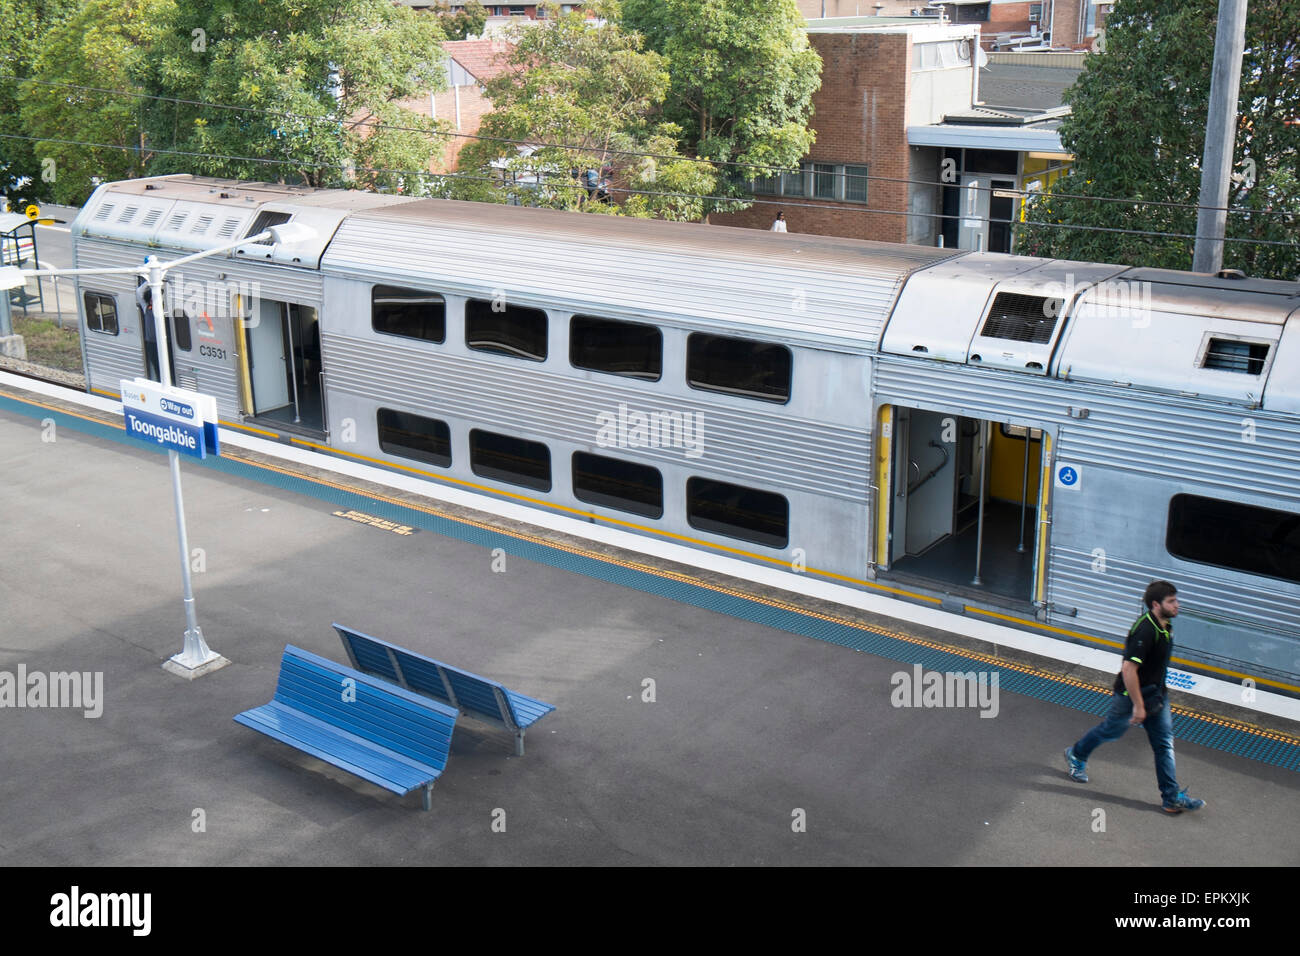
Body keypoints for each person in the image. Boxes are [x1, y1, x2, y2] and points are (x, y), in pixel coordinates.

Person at [1064, 581, 1206, 814]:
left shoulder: (1166, 624)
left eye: (1176, 600)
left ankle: (1171, 798)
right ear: (1155, 604)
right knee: (1111, 731)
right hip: (1130, 697)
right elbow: (1129, 670)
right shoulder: (1145, 630)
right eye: (1171, 601)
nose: (1177, 605)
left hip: (1157, 696)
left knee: (1163, 744)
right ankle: (1076, 754)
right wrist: (1139, 706)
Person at [135, 278, 161, 382]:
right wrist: (150, 281)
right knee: (157, 368)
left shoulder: (162, 310)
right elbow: (139, 292)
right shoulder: (146, 308)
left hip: (163, 343)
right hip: (152, 344)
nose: (153, 301)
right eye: (152, 299)